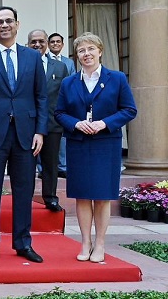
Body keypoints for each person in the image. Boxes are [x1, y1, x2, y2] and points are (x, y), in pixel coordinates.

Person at [0, 6, 47, 263]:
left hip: (27, 134)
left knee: (24, 190)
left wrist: (40, 131)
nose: (4, 25)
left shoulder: (32, 57)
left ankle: (23, 242)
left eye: (9, 21)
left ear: (17, 24)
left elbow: (41, 97)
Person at [55, 32, 136, 263]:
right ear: (77, 56)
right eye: (81, 50)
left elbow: (129, 110)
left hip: (105, 145)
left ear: (100, 51)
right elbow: (59, 113)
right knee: (82, 196)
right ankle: (85, 242)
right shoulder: (68, 82)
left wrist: (104, 123)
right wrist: (76, 123)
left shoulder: (117, 78)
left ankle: (100, 243)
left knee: (101, 196)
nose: (86, 54)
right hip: (79, 144)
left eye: (91, 49)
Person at [27, 29, 69, 212]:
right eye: (33, 42)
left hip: (52, 123)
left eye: (41, 41)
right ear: (28, 44)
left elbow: (66, 95)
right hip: (27, 123)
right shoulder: (23, 63)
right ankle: (24, 198)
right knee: (26, 164)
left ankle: (50, 197)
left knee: (50, 164)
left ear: (47, 43)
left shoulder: (60, 67)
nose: (37, 45)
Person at [48, 32, 76, 179]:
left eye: (58, 42)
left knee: (62, 138)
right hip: (47, 105)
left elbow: (72, 81)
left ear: (63, 44)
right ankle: (43, 168)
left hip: (63, 104)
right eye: (52, 42)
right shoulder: (42, 60)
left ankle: (62, 166)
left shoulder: (69, 62)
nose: (55, 44)